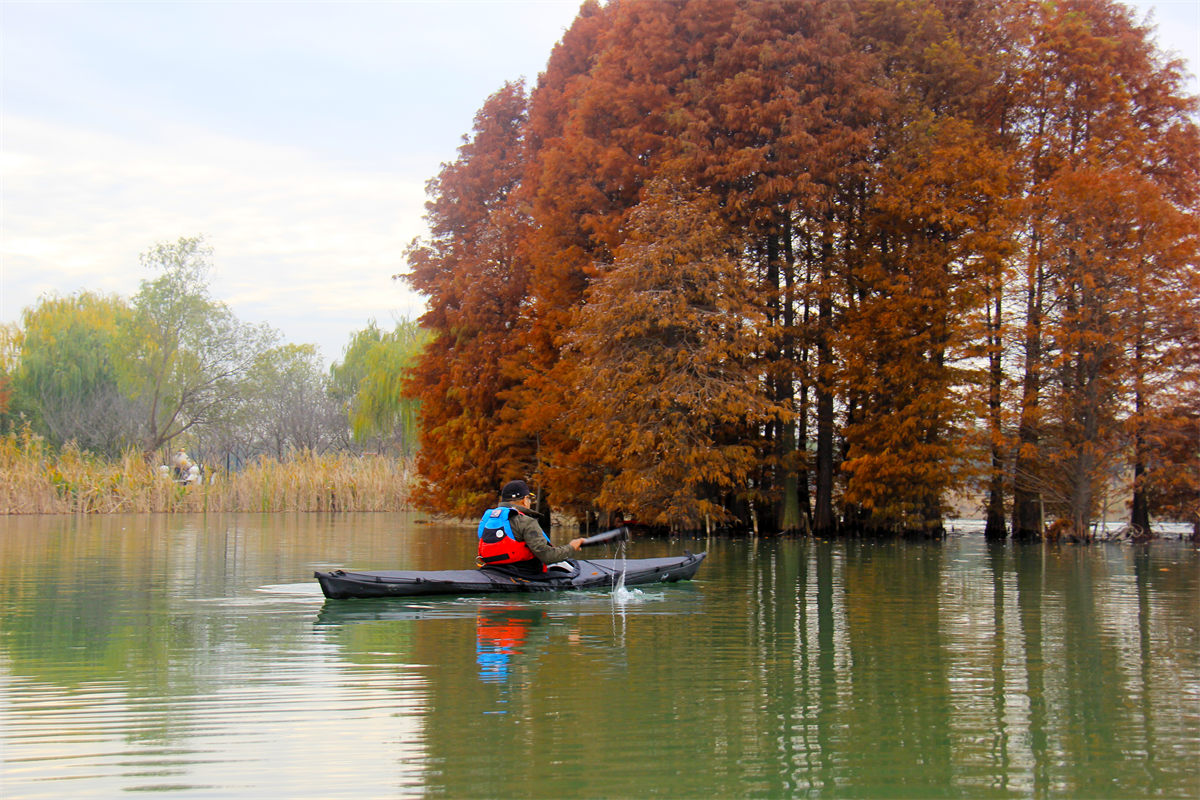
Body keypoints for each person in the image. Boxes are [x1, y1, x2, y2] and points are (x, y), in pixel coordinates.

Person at [477, 480, 585, 573]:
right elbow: (547, 556)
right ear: (524, 500)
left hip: (493, 568)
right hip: (524, 571)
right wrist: (571, 547)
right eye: (529, 499)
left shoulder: (487, 518)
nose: (529, 502)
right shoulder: (526, 521)